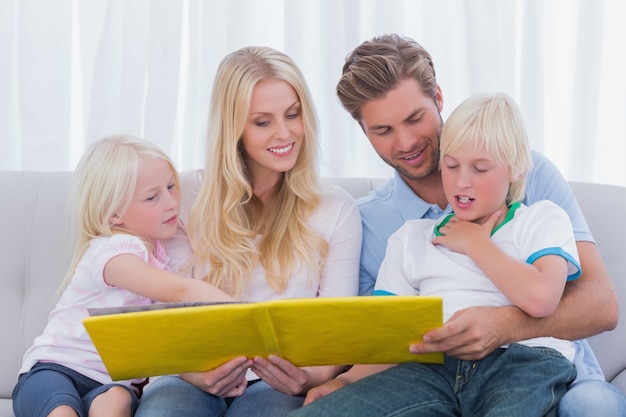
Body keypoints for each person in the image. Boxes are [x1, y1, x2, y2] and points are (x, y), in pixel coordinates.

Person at [296, 34, 625, 416]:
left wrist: (503, 325)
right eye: (383, 130)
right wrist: (338, 379)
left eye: (414, 118)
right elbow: (386, 339)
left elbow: (601, 305)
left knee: (592, 406)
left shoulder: (528, 176)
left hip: (544, 369)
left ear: (438, 98)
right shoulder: (374, 224)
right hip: (433, 378)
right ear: (363, 131)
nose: (405, 142)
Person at [133, 46, 362, 417]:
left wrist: (310, 377)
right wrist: (195, 374)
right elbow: (161, 306)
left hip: (277, 382)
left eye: (293, 114)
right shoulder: (181, 195)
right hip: (185, 377)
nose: (285, 133)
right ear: (233, 127)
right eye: (262, 122)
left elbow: (339, 331)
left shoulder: (336, 209)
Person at [12, 135, 234, 417]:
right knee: (62, 411)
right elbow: (179, 291)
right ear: (114, 214)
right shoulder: (112, 251)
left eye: (171, 187)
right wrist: (244, 314)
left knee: (117, 400)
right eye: (152, 197)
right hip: (54, 369)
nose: (171, 203)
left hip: (110, 382)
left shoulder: (161, 252)